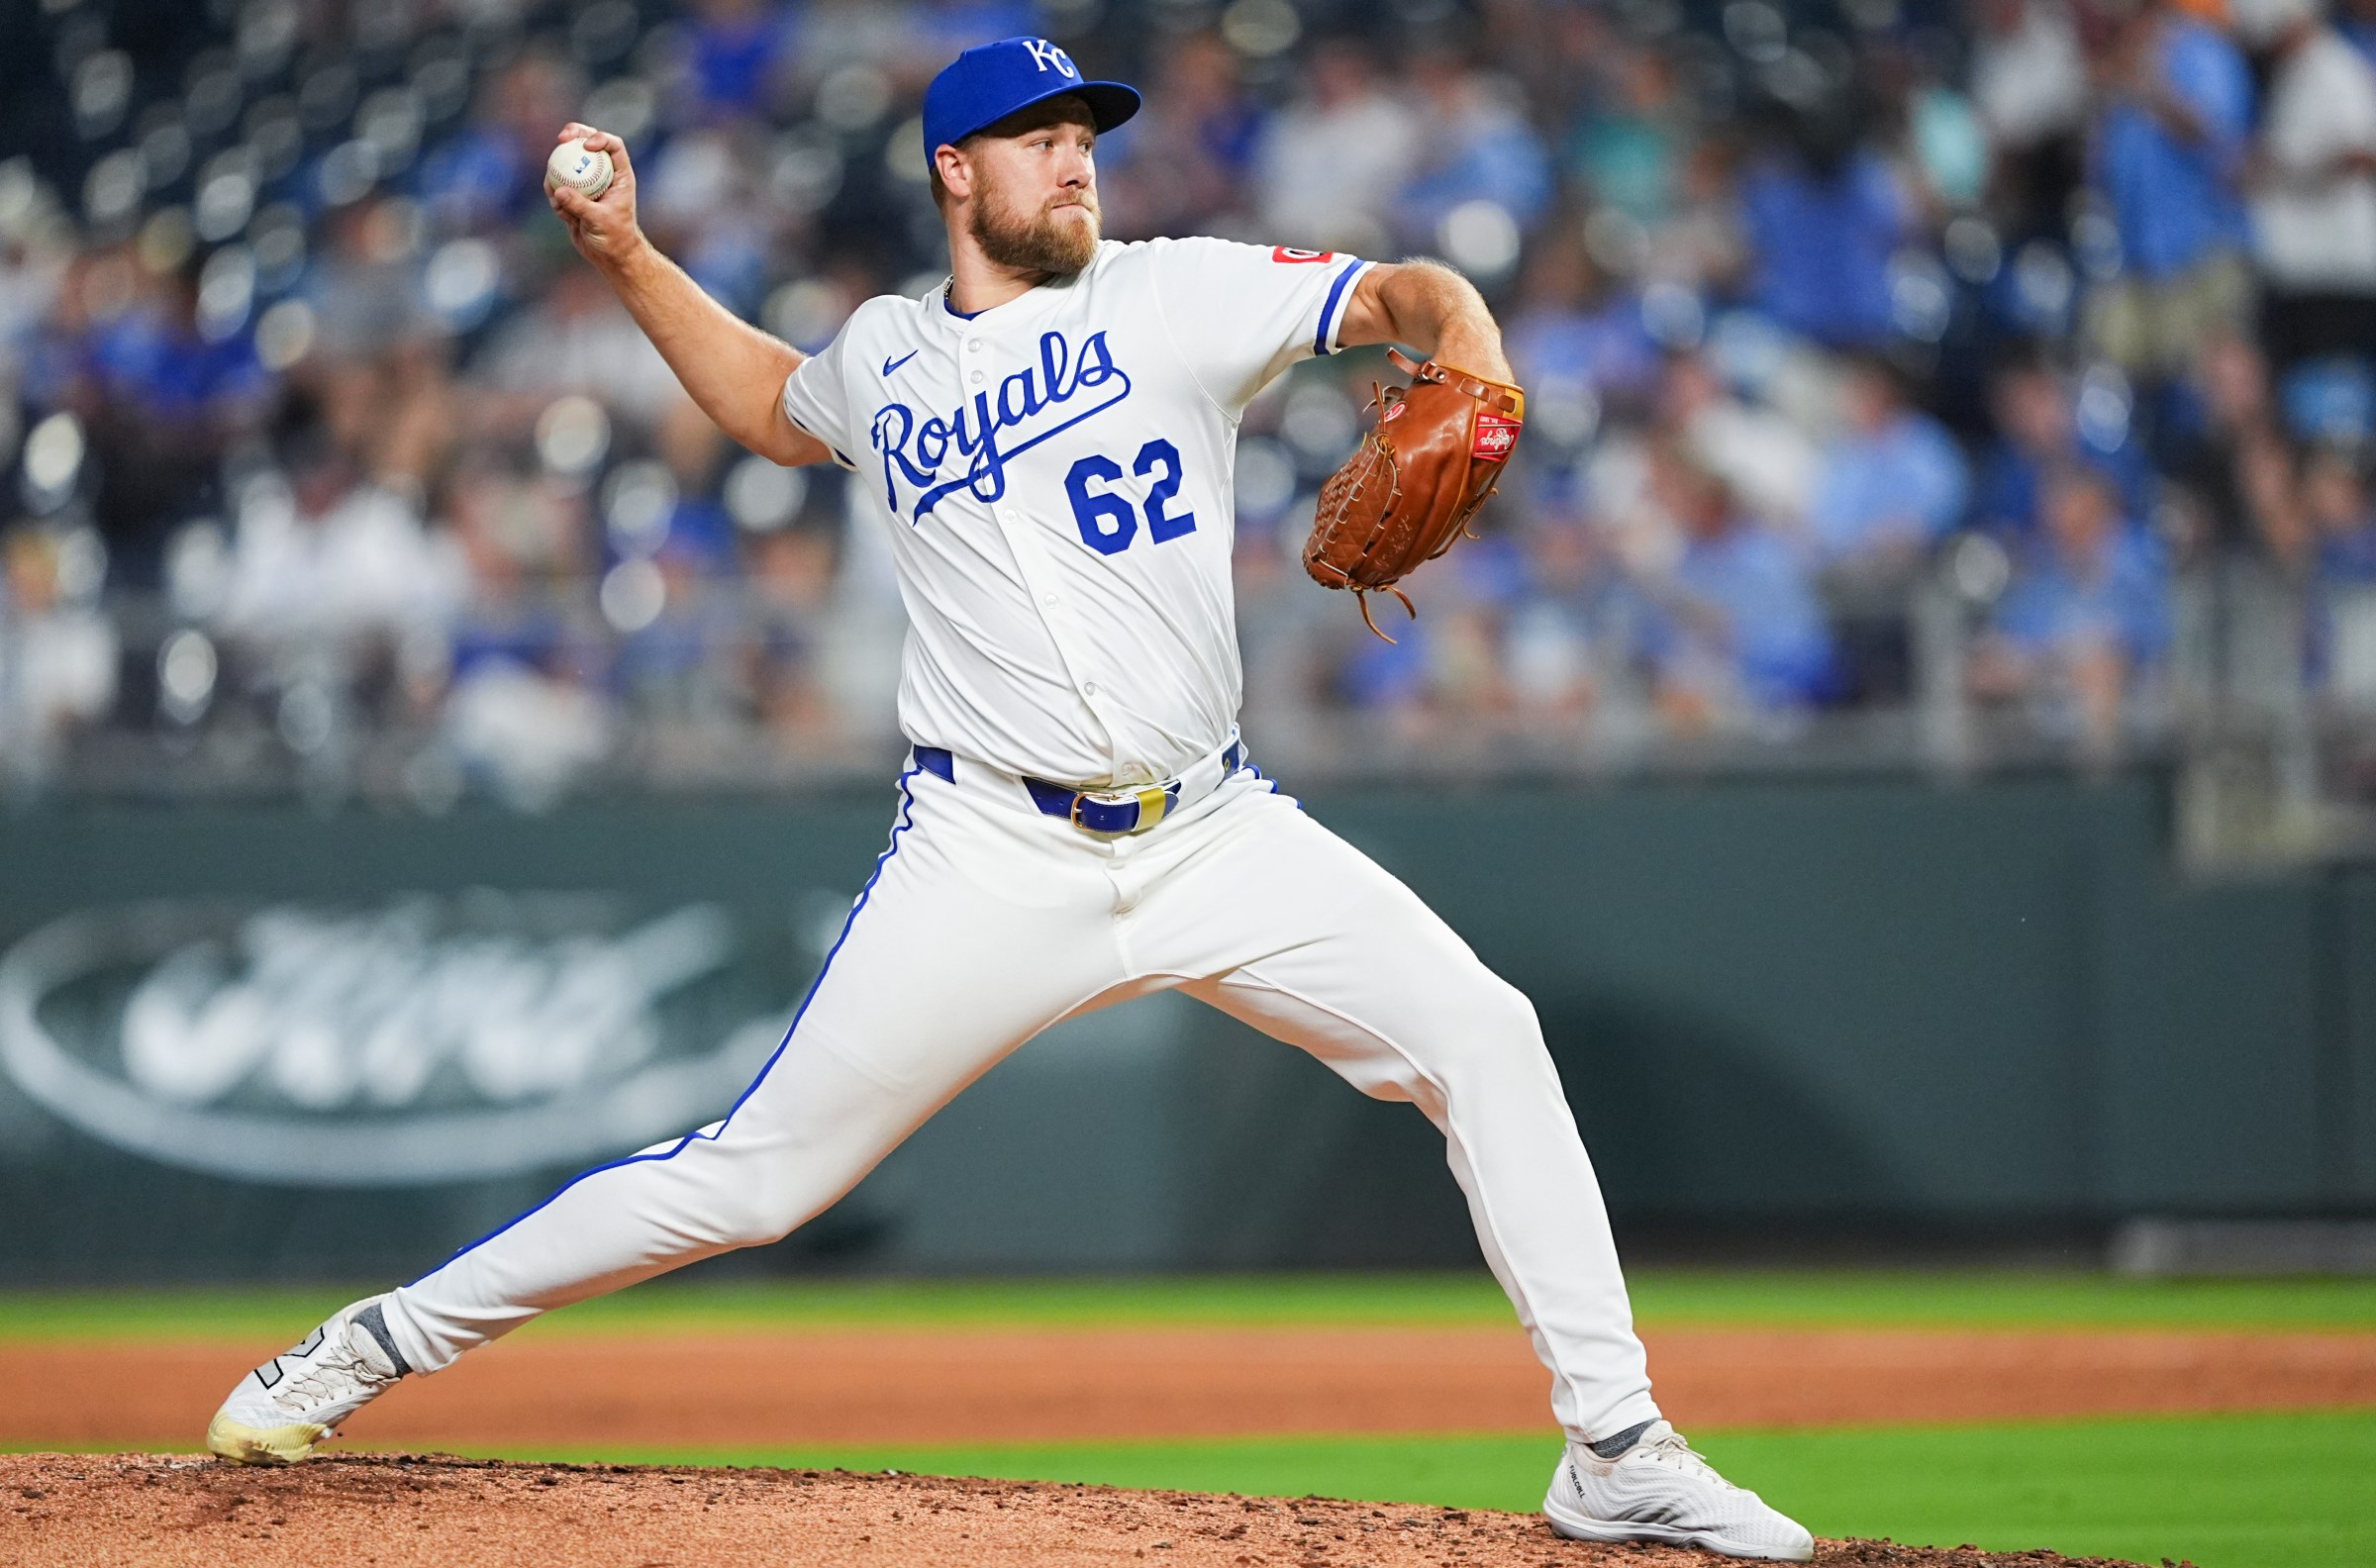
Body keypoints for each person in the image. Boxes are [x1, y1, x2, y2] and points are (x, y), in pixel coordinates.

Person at [200, 38, 1814, 1562]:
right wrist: (623, 252)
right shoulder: (888, 355)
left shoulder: (1176, 294)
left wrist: (1464, 333)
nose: (1076, 165)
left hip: (1215, 829)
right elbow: (772, 407)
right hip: (987, 847)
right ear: (954, 173)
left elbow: (1395, 290)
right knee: (757, 1176)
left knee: (1485, 1035)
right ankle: (369, 1346)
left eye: (1085, 139)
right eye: (1041, 144)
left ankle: (1614, 1450)